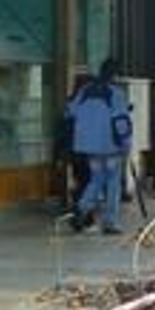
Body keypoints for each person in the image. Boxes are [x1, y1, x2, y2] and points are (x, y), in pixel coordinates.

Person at [66, 59, 132, 235]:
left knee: (97, 178)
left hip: (88, 146)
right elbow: (121, 122)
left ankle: (81, 208)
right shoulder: (115, 93)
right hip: (110, 146)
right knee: (112, 183)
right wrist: (126, 143)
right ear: (115, 75)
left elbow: (70, 111)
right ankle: (110, 222)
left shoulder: (85, 90)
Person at [57, 73, 93, 215]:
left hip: (73, 150)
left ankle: (81, 210)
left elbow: (63, 129)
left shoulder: (71, 103)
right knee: (87, 182)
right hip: (85, 150)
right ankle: (82, 214)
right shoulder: (87, 104)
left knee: (82, 180)